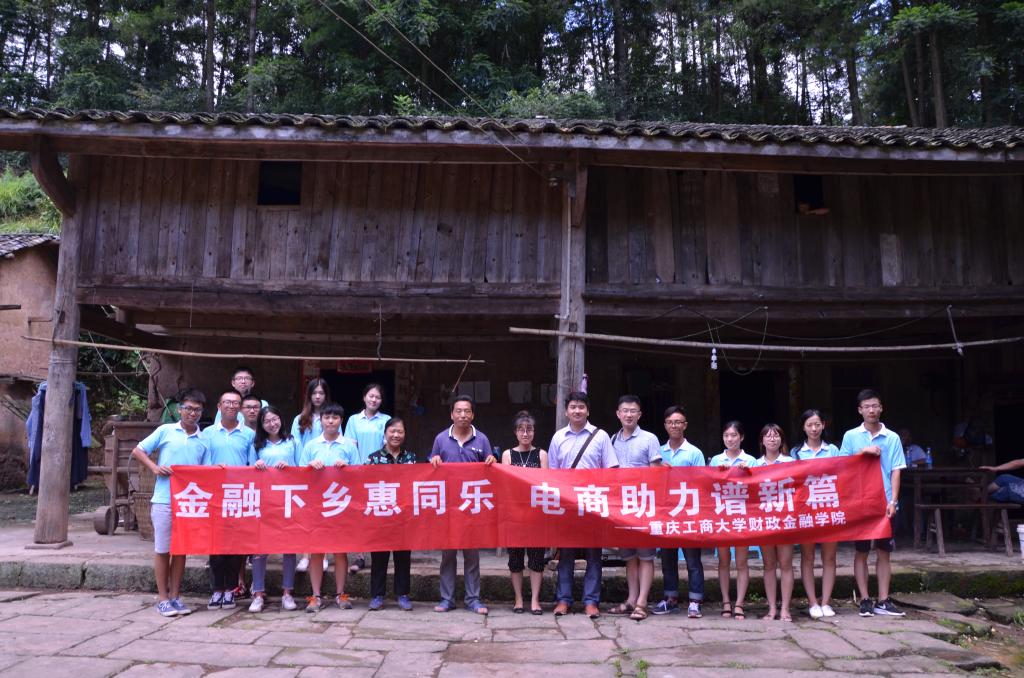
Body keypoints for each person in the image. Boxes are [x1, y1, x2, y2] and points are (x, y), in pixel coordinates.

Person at [131, 388, 209, 616]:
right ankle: (162, 598)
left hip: (188, 503)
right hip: (164, 499)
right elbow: (138, 450)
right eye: (188, 408)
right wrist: (155, 468)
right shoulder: (165, 430)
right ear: (179, 409)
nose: (192, 413)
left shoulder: (203, 440)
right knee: (163, 549)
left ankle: (176, 596)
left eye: (197, 410)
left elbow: (206, 471)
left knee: (181, 550)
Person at [547, 391, 619, 619]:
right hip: (567, 505)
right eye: (573, 407)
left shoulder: (601, 437)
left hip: (593, 503)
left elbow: (611, 471)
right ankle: (563, 600)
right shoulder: (558, 437)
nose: (577, 411)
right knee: (565, 555)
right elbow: (552, 473)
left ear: (588, 410)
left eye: (581, 407)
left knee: (593, 555)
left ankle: (591, 601)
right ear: (566, 411)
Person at [839, 388, 906, 617]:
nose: (871, 410)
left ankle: (884, 600)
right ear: (860, 410)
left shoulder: (892, 437)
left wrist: (893, 501)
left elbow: (896, 470)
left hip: (885, 502)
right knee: (861, 551)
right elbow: (842, 465)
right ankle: (865, 599)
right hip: (860, 502)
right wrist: (863, 452)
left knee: (884, 551)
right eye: (866, 406)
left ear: (881, 408)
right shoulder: (850, 436)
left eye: (875, 406)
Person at [430, 395, 496, 615]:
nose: (463, 415)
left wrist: (491, 461)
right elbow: (431, 469)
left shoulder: (482, 439)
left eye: (467, 411)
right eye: (458, 411)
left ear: (473, 415)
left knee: (472, 556)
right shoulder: (441, 439)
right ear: (451, 414)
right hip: (448, 507)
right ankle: (447, 599)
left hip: (472, 507)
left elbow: (490, 468)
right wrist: (433, 461)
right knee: (448, 556)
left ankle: (473, 599)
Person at [299, 403, 358, 612]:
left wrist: (347, 469)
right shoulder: (311, 445)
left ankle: (341, 594)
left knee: (340, 551)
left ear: (341, 421)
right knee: (317, 551)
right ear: (321, 420)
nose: (331, 421)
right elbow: (300, 475)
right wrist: (310, 467)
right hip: (316, 505)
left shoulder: (349, 445)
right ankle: (315, 596)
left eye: (335, 418)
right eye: (327, 417)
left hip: (340, 505)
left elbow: (359, 474)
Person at [608, 395, 662, 622]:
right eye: (625, 411)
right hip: (622, 507)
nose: (628, 415)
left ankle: (642, 602)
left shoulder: (650, 439)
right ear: (618, 414)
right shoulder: (612, 440)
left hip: (644, 506)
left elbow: (657, 473)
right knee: (629, 557)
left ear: (639, 415)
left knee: (646, 556)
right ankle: (631, 599)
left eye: (633, 411)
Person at [202, 389, 256, 610]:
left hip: (238, 495)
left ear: (240, 408)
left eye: (235, 403)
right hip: (214, 495)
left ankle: (231, 590)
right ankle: (216, 590)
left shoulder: (249, 434)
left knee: (235, 545)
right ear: (219, 406)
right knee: (215, 544)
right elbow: (202, 464)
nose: (231, 406)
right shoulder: (207, 433)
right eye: (227, 402)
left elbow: (252, 465)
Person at [653, 405, 706, 619]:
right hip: (665, 513)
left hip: (689, 514)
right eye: (670, 422)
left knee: (693, 560)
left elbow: (702, 482)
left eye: (678, 422)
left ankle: (695, 601)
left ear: (685, 425)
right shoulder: (658, 452)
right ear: (665, 425)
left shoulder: (694, 452)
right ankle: (670, 598)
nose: (674, 426)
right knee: (667, 559)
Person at [247, 405, 300, 612]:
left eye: (275, 419)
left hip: (288, 500)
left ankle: (288, 593)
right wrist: (257, 465)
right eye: (267, 421)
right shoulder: (257, 444)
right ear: (261, 425)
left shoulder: (292, 441)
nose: (272, 424)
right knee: (260, 548)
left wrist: (289, 468)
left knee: (289, 547)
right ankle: (258, 594)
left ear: (281, 419)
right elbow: (249, 471)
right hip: (264, 500)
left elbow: (302, 467)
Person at [792, 409, 841, 619]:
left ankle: (826, 602)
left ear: (823, 425)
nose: (814, 429)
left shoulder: (833, 450)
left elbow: (843, 475)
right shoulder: (795, 453)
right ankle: (812, 602)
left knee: (829, 557)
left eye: (817, 424)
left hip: (829, 509)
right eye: (809, 425)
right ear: (803, 427)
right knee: (808, 557)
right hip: (806, 511)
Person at [366, 416, 417, 612]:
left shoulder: (411, 458)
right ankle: (377, 595)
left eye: (400, 431)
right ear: (385, 433)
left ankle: (403, 594)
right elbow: (364, 485)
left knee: (403, 557)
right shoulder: (373, 458)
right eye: (392, 431)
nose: (396, 435)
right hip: (380, 515)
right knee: (379, 557)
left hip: (403, 516)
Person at [501, 411, 548, 615]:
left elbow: (545, 483)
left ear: (534, 432)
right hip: (514, 515)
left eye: (529, 429)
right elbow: (507, 483)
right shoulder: (507, 455)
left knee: (536, 559)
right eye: (521, 430)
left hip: (536, 515)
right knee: (515, 558)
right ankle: (518, 599)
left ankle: (535, 600)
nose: (525, 433)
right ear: (516, 432)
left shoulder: (542, 454)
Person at [708, 420, 756, 621]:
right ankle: (726, 601)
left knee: (742, 562)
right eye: (726, 435)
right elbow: (707, 487)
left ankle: (740, 603)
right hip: (722, 515)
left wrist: (749, 473)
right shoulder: (716, 460)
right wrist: (717, 473)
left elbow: (758, 490)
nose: (730, 439)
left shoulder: (751, 460)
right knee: (724, 561)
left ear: (741, 437)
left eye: (734, 435)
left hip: (742, 515)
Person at [344, 383, 390, 573]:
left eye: (378, 397)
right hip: (358, 473)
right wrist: (357, 468)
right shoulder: (354, 420)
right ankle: (359, 556)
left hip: (380, 474)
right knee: (359, 515)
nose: (374, 400)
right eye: (371, 396)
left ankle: (378, 554)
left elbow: (388, 446)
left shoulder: (386, 420)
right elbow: (350, 446)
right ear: (364, 397)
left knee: (378, 513)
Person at [753, 424, 795, 622]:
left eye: (776, 435)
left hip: (785, 519)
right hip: (764, 520)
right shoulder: (754, 464)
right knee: (769, 565)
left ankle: (785, 609)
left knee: (786, 564)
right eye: (768, 436)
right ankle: (771, 608)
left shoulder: (791, 462)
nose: (772, 439)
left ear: (781, 439)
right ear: (762, 441)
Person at [292, 378, 331, 573]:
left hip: (326, 474)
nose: (317, 396)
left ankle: (322, 555)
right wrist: (301, 469)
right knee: (306, 516)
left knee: (324, 515)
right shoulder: (300, 419)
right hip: (306, 472)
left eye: (321, 393)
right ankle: (305, 555)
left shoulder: (331, 417)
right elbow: (295, 444)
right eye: (314, 393)